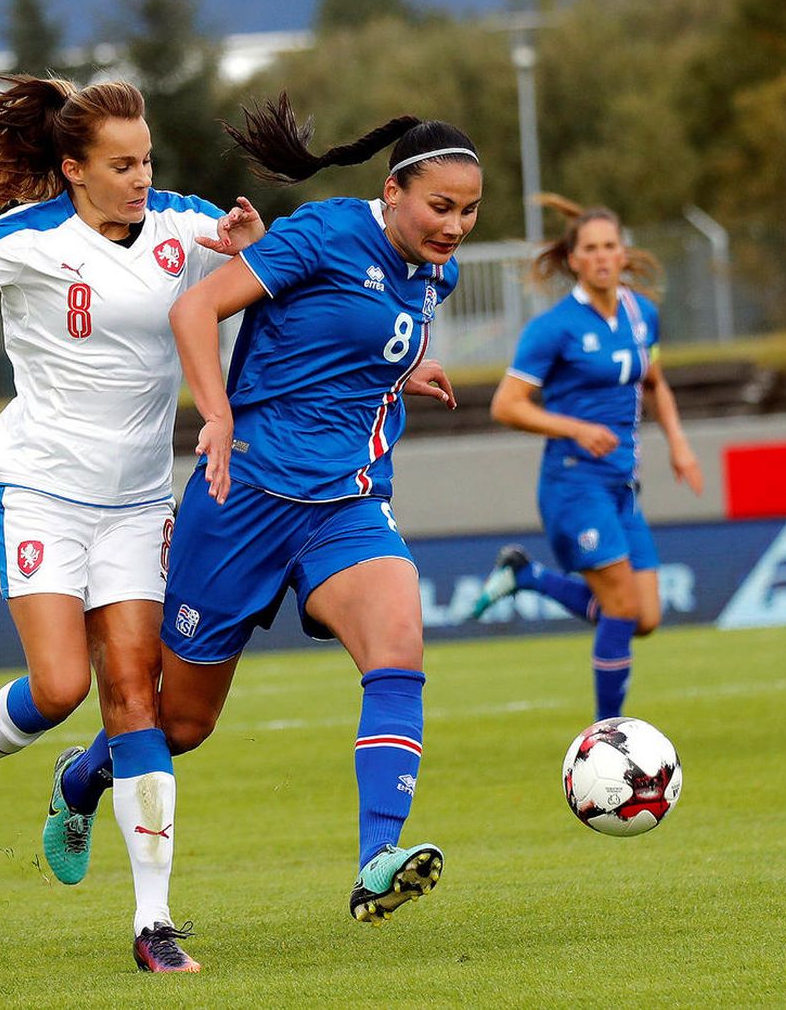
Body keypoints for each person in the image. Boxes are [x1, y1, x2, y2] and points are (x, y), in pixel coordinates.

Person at [47, 96, 474, 931]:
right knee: (182, 722)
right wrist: (216, 413)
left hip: (346, 504)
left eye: (468, 212)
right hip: (239, 501)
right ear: (393, 193)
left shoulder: (436, 271)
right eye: (440, 206)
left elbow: (364, 340)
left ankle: (376, 857)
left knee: (399, 648)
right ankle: (81, 778)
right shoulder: (321, 233)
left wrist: (404, 373)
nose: (454, 226)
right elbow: (193, 309)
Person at [0, 73, 262, 973]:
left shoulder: (184, 223)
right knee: (57, 689)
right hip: (43, 490)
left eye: (148, 160)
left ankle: (153, 922)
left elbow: (279, 282)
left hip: (137, 502)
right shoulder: (29, 237)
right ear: (72, 169)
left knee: (133, 695)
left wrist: (255, 250)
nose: (143, 177)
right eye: (122, 164)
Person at [469, 194, 703, 719]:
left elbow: (656, 382)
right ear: (573, 259)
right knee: (621, 608)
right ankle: (606, 742)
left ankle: (526, 577)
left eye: (610, 246)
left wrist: (680, 445)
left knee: (645, 617)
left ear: (624, 253)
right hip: (575, 485)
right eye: (590, 248)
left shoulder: (643, 315)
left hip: (623, 485)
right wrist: (575, 427)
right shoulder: (554, 328)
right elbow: (506, 405)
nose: (601, 256)